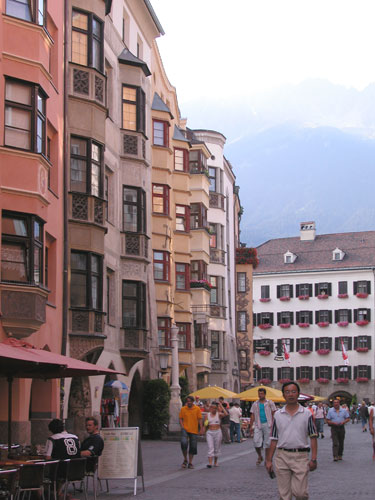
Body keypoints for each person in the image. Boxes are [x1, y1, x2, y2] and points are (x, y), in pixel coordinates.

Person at [265, 381, 317, 500]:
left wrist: (313, 458)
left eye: (293, 392)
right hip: (282, 455)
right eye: (287, 392)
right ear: (283, 395)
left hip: (300, 455)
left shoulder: (307, 414)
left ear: (298, 394)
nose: (290, 395)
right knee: (284, 495)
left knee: (300, 493)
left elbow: (313, 437)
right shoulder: (278, 415)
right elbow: (273, 439)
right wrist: (268, 460)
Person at [249, 387, 276, 465]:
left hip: (268, 424)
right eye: (259, 393)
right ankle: (260, 455)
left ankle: (267, 459)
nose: (260, 395)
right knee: (256, 441)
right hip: (258, 424)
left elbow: (274, 412)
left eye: (261, 394)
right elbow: (252, 414)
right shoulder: (255, 404)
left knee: (267, 443)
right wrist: (251, 426)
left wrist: (274, 423)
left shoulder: (270, 402)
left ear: (265, 394)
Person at [179, 395, 203, 469]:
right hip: (185, 429)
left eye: (190, 401)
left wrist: (201, 428)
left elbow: (199, 419)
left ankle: (190, 462)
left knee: (193, 446)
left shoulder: (197, 409)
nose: (189, 402)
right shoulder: (183, 409)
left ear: (193, 402)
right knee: (183, 443)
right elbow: (180, 418)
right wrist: (182, 426)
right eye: (187, 401)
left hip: (194, 430)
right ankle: (185, 459)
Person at [204, 401, 228, 467]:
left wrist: (221, 405)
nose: (214, 409)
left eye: (215, 408)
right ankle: (210, 463)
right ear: (211, 408)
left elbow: (226, 414)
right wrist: (204, 431)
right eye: (212, 408)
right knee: (210, 447)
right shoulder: (207, 415)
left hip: (217, 431)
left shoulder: (218, 414)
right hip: (210, 432)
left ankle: (215, 461)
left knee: (217, 447)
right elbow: (205, 424)